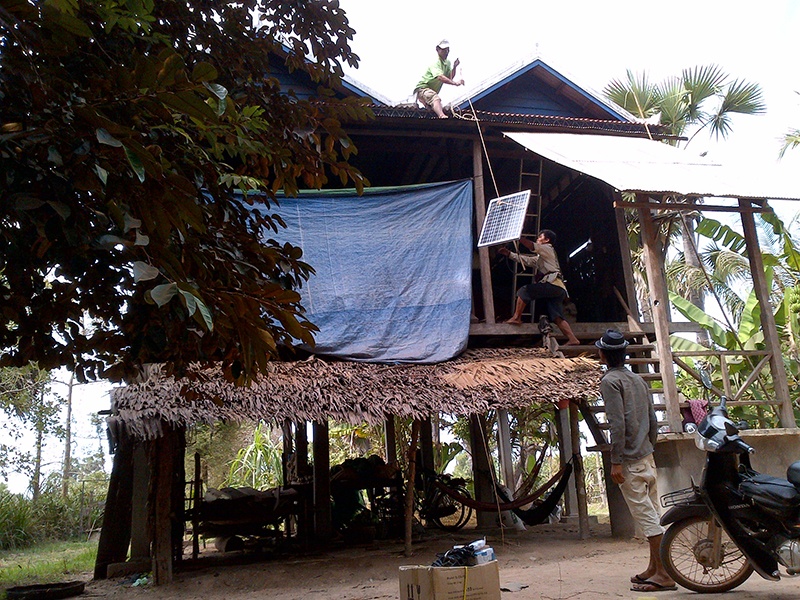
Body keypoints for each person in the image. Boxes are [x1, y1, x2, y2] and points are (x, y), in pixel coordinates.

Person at [595, 329, 677, 593]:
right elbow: (653, 420)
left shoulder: (610, 381)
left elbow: (617, 425)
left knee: (647, 519)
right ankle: (654, 568)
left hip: (630, 460)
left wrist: (616, 461)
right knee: (652, 514)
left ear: (603, 354)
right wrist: (649, 447)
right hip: (646, 456)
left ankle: (664, 573)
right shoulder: (637, 379)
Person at [498, 229, 581, 345]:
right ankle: (572, 339)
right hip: (559, 288)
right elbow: (526, 260)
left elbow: (531, 246)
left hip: (552, 284)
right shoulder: (541, 257)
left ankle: (517, 317)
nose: (537, 239)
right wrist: (509, 254)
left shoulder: (547, 248)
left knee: (524, 290)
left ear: (547, 240)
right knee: (557, 316)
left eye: (540, 237)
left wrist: (518, 237)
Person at [414, 39, 464, 119]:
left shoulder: (447, 63)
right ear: (437, 49)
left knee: (433, 107)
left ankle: (432, 109)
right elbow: (440, 77)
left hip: (430, 92)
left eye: (447, 50)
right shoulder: (435, 63)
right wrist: (455, 83)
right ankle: (441, 116)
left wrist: (454, 67)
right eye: (444, 50)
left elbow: (449, 77)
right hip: (423, 89)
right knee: (435, 98)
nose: (446, 52)